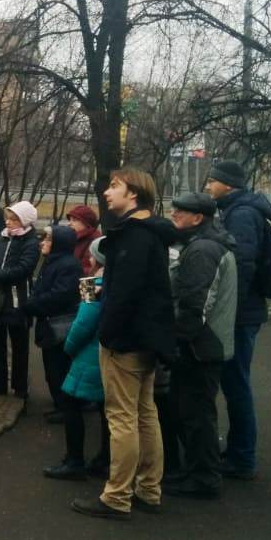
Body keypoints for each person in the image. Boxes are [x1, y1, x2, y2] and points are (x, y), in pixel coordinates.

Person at [71, 168, 175, 520]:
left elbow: (127, 295)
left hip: (126, 341)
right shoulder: (153, 233)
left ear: (133, 194)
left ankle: (116, 497)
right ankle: (149, 489)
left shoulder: (133, 236)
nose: (106, 192)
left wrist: (108, 334)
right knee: (146, 413)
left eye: (114, 186)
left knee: (122, 418)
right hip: (147, 339)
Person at [165, 191, 238, 499]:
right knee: (190, 411)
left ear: (198, 218)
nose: (173, 216)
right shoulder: (203, 244)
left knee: (197, 415)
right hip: (204, 344)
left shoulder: (203, 250)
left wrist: (176, 341)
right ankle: (195, 470)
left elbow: (196, 304)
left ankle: (204, 478)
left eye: (179, 213)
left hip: (201, 347)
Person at [204, 159, 271, 481]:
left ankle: (242, 457)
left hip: (240, 314)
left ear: (227, 184)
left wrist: (226, 309)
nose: (207, 185)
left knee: (236, 384)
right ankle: (236, 451)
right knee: (234, 383)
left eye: (212, 181)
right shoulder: (237, 209)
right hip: (242, 311)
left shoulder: (242, 214)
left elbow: (241, 265)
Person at [45, 236, 111, 480]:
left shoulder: (92, 283)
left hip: (88, 356)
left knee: (71, 404)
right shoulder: (118, 282)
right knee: (107, 410)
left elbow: (83, 323)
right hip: (106, 355)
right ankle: (105, 459)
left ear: (97, 259)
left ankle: (74, 461)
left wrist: (69, 348)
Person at [0, 200, 40, 400]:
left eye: (14, 219)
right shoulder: (2, 239)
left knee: (19, 345)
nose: (8, 222)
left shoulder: (31, 242)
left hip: (17, 299)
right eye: (8, 218)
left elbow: (24, 268)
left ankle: (20, 387)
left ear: (24, 221)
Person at [22, 225, 82, 419]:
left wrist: (32, 305)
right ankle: (60, 404)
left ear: (58, 244)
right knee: (52, 368)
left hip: (60, 326)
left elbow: (59, 295)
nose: (42, 243)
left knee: (59, 368)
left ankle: (66, 408)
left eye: (48, 239)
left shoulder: (68, 265)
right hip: (49, 324)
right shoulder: (52, 262)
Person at [65, 204, 101, 275]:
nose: (69, 224)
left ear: (86, 223)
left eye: (74, 220)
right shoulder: (74, 238)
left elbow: (92, 270)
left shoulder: (95, 241)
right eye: (70, 220)